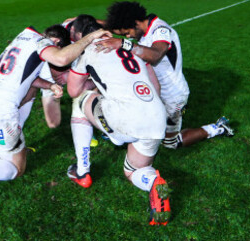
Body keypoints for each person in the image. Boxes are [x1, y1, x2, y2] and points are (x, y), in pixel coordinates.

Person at [0, 24, 110, 207]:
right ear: (56, 42)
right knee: (16, 169)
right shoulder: (42, 43)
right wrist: (91, 37)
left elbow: (28, 76)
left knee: (31, 91)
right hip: (0, 113)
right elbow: (61, 59)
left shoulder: (25, 36)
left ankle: (16, 144)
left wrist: (49, 85)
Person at [66, 16, 172, 225]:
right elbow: (156, 88)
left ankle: (82, 171)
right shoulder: (131, 48)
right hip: (156, 116)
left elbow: (73, 90)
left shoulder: (86, 52)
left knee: (79, 101)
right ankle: (153, 182)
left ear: (79, 35)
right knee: (132, 171)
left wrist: (94, 84)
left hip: (123, 118)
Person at [96, 1, 233, 153]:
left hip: (172, 97)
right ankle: (121, 132)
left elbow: (155, 55)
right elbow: (110, 25)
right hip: (153, 91)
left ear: (135, 22)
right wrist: (82, 20)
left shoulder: (160, 30)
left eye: (127, 33)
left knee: (170, 143)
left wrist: (124, 43)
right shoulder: (139, 27)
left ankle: (217, 128)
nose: (128, 36)